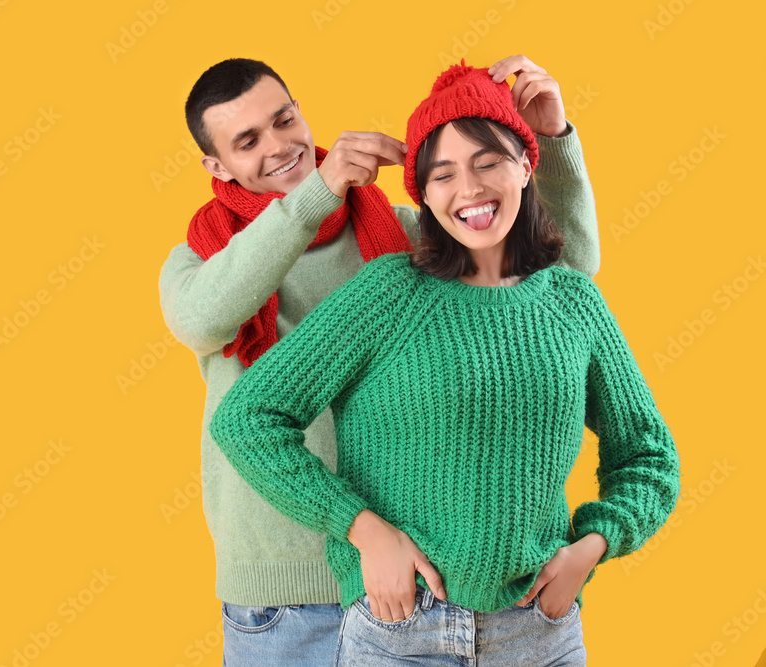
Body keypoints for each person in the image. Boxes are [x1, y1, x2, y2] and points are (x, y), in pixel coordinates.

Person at [208, 62, 679, 666]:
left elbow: (648, 455)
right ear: (423, 195)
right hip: (400, 631)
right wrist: (361, 529)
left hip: (540, 634)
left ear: (527, 166)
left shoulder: (572, 300)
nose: (470, 189)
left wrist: (593, 543)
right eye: (444, 174)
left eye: (488, 162)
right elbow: (247, 418)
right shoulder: (388, 293)